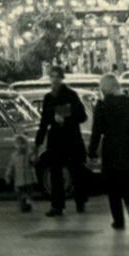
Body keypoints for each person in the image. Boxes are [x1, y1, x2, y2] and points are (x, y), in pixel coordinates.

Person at [89, 73, 129, 229]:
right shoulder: (128, 103)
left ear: (104, 89)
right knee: (128, 182)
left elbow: (97, 131)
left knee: (113, 188)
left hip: (110, 150)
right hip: (128, 149)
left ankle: (118, 221)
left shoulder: (102, 106)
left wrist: (92, 151)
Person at [35, 65, 89, 217]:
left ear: (62, 78)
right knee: (55, 172)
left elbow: (82, 116)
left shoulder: (71, 95)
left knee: (76, 170)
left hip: (71, 137)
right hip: (56, 139)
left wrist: (67, 117)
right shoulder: (48, 98)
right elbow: (44, 122)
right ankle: (57, 206)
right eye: (52, 77)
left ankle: (80, 201)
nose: (54, 80)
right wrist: (38, 143)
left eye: (57, 77)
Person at [5, 133, 39, 213]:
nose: (20, 146)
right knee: (19, 193)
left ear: (26, 145)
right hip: (19, 179)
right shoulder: (14, 156)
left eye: (23, 144)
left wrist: (35, 154)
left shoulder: (29, 154)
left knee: (29, 192)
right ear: (16, 146)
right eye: (18, 144)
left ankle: (28, 202)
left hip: (28, 178)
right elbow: (11, 166)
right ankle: (23, 204)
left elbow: (33, 161)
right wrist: (8, 176)